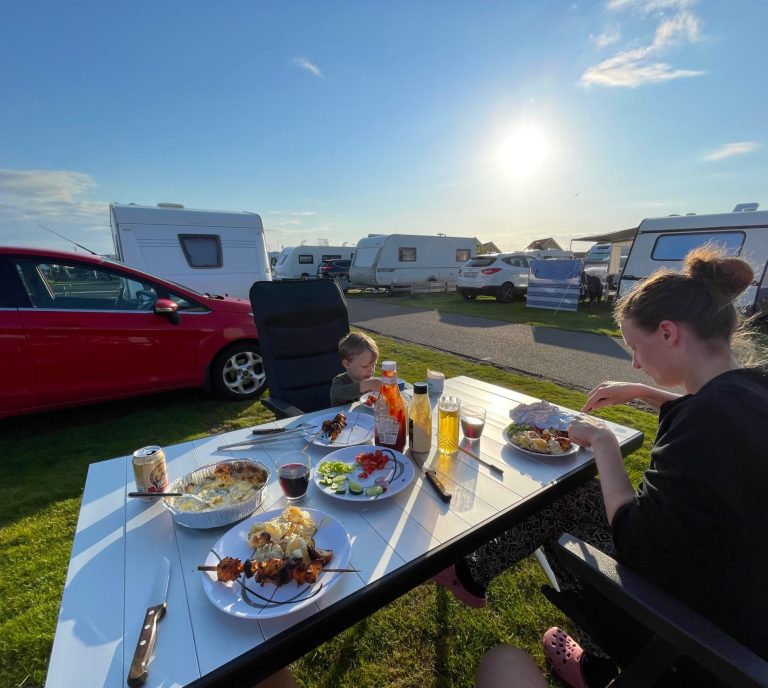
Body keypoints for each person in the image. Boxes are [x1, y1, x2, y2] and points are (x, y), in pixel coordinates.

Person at [434, 246, 768, 687]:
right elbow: (720, 421)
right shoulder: (751, 389)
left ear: (667, 333)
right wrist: (645, 393)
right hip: (738, 598)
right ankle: (485, 584)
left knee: (560, 500)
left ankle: (479, 579)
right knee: (578, 493)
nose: (635, 362)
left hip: (692, 634)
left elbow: (635, 543)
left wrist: (605, 443)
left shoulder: (707, 423)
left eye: (634, 347)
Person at [329, 331, 382, 405]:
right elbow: (336, 394)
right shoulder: (340, 380)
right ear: (347, 364)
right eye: (365, 366)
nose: (372, 370)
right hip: (343, 415)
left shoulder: (369, 380)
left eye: (374, 365)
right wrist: (366, 385)